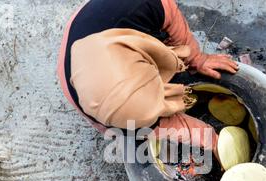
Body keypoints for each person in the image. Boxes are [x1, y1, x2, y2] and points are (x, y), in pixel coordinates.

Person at [57, 0, 239, 153]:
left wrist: (196, 58)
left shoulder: (142, 6)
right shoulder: (97, 109)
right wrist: (212, 140)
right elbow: (156, 126)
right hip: (77, 67)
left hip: (107, 20)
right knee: (133, 128)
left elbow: (170, 15)